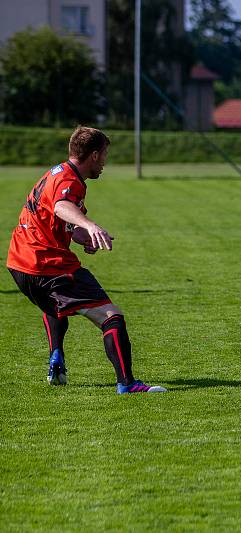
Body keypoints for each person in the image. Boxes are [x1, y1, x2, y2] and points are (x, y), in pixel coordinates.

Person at [6, 126, 166, 394]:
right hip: (47, 265)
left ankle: (56, 356)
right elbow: (61, 207)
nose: (105, 162)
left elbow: (57, 216)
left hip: (19, 263)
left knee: (57, 305)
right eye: (104, 155)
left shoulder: (56, 173)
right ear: (93, 155)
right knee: (111, 315)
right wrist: (90, 225)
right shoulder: (69, 182)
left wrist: (82, 235)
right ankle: (127, 384)